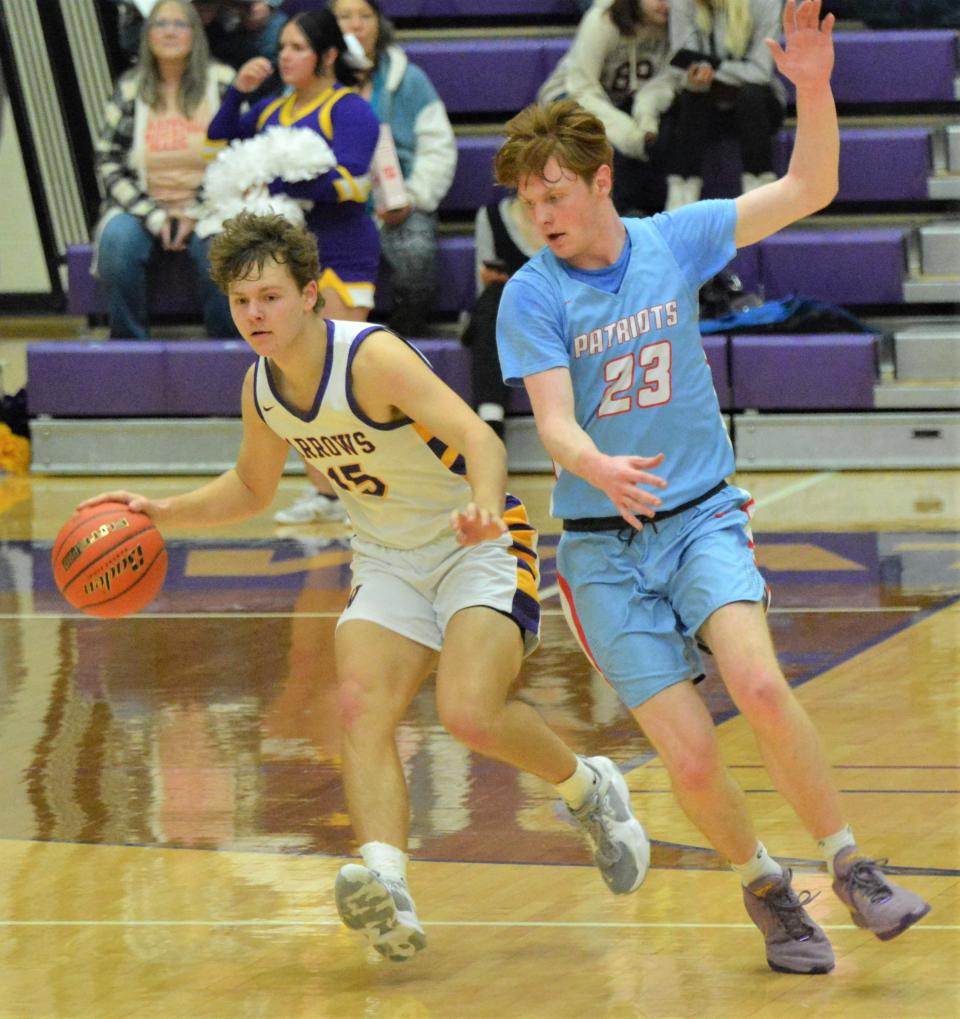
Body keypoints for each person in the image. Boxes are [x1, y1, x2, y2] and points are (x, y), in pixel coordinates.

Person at [77, 210, 652, 963]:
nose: (255, 313)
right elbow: (252, 488)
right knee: (359, 707)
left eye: (271, 297)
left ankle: (588, 787)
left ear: (311, 294)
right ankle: (388, 887)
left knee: (469, 711)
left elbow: (479, 435)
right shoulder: (263, 390)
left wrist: (482, 503)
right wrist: (163, 513)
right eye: (242, 300)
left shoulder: (371, 357)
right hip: (386, 559)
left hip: (474, 544)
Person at [494, 0, 931, 976]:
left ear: (603, 181)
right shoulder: (533, 293)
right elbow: (554, 420)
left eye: (556, 192)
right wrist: (592, 462)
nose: (543, 214)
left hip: (698, 518)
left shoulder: (674, 239)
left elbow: (813, 182)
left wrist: (813, 86)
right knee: (688, 755)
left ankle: (853, 864)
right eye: (529, 201)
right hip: (604, 549)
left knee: (764, 683)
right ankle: (769, 886)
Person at [207, 8, 381, 525]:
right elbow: (215, 149)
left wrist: (288, 183)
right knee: (297, 377)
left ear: (327, 55)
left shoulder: (349, 109)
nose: (285, 56)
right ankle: (324, 493)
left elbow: (355, 185)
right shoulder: (268, 112)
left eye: (298, 47)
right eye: (282, 46)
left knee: (344, 380)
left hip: (342, 254)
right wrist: (237, 93)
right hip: (284, 261)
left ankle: (364, 492)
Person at [92, 0, 237, 339]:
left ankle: (227, 354)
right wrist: (154, 216)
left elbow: (238, 157)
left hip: (213, 205)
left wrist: (195, 211)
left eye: (180, 24)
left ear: (195, 34)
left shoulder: (223, 82)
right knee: (116, 244)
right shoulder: (129, 88)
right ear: (147, 35)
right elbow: (107, 160)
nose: (170, 31)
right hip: (142, 207)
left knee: (224, 250)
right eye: (160, 24)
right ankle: (129, 356)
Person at [332, 0, 458, 337]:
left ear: (379, 23)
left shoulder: (410, 79)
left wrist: (412, 196)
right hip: (332, 207)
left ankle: (403, 341)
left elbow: (438, 148)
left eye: (365, 16)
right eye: (344, 17)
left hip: (399, 204)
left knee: (417, 258)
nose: (355, 25)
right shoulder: (313, 78)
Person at [538, 0, 679, 217]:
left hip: (622, 102)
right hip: (569, 98)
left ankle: (648, 214)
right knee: (601, 144)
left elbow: (666, 82)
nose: (665, 4)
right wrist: (632, 136)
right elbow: (582, 89)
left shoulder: (678, 25)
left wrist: (646, 119)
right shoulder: (603, 19)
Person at [664, 0, 788, 210]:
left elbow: (760, 71)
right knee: (693, 96)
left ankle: (760, 191)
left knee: (751, 95)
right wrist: (695, 77)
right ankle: (682, 192)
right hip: (704, 103)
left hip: (757, 103)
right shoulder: (683, 3)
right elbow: (680, 62)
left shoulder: (766, 3)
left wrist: (713, 68)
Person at [461, 196, 543, 438]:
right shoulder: (491, 215)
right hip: (511, 315)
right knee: (493, 299)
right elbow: (481, 288)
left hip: (560, 310)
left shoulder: (572, 213)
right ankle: (490, 418)